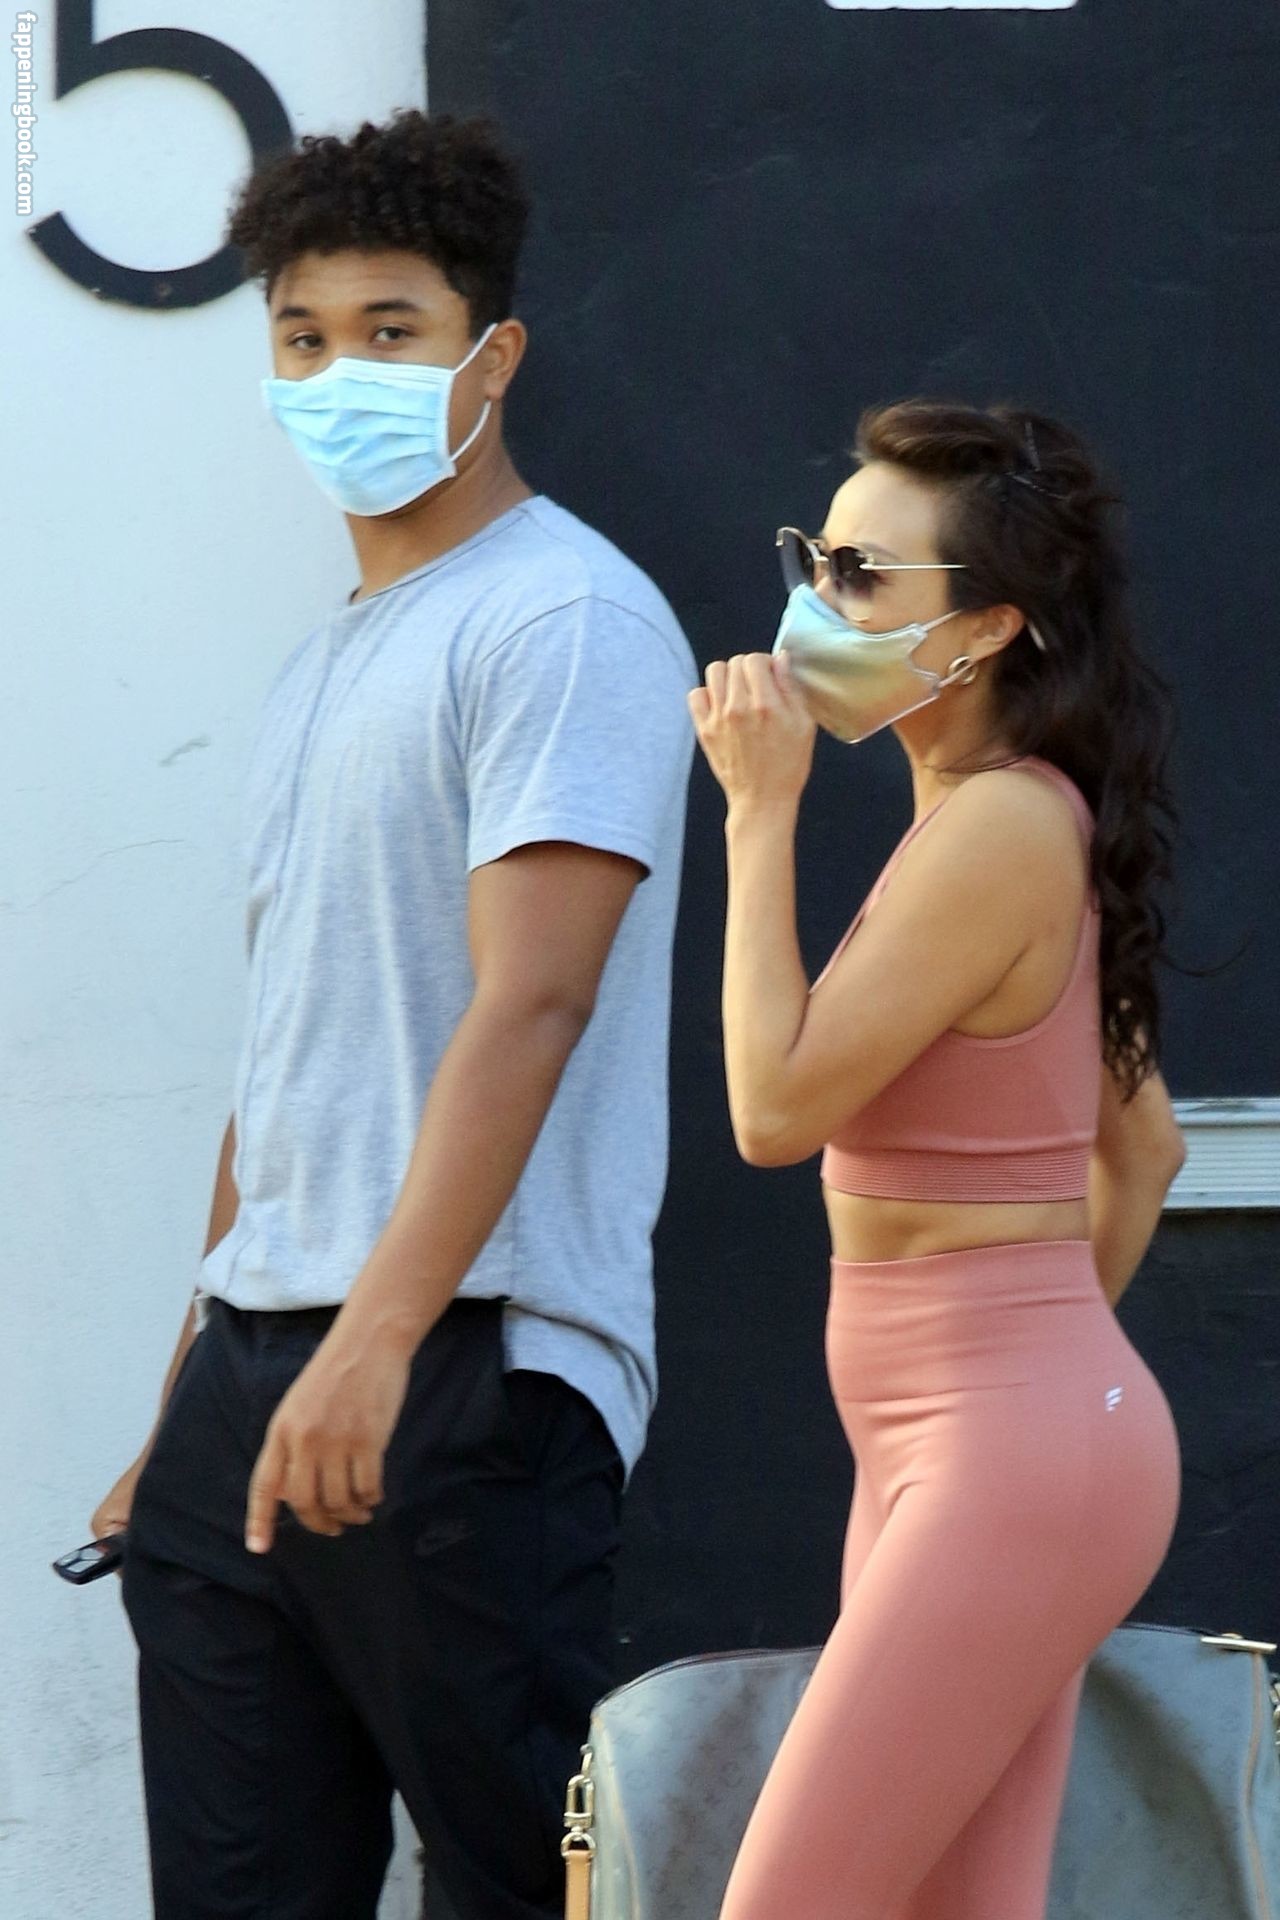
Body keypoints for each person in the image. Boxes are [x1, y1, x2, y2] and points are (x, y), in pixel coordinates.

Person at [89, 110, 694, 1920]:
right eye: (301, 336)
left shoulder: (564, 620)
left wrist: (375, 1333)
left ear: (491, 355)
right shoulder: (327, 660)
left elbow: (536, 1000)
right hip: (257, 1381)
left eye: (389, 328)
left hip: (464, 1370)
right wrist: (190, 1393)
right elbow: (297, 1057)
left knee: (519, 1886)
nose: (336, 370)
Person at [688, 401, 1184, 1920]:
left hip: (1000, 1456)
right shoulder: (1001, 819)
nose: (813, 601)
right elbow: (1149, 1150)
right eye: (814, 558)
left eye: (861, 575)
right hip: (981, 1447)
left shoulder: (1001, 830)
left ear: (982, 632)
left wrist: (760, 813)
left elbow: (773, 1111)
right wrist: (1048, 1376)